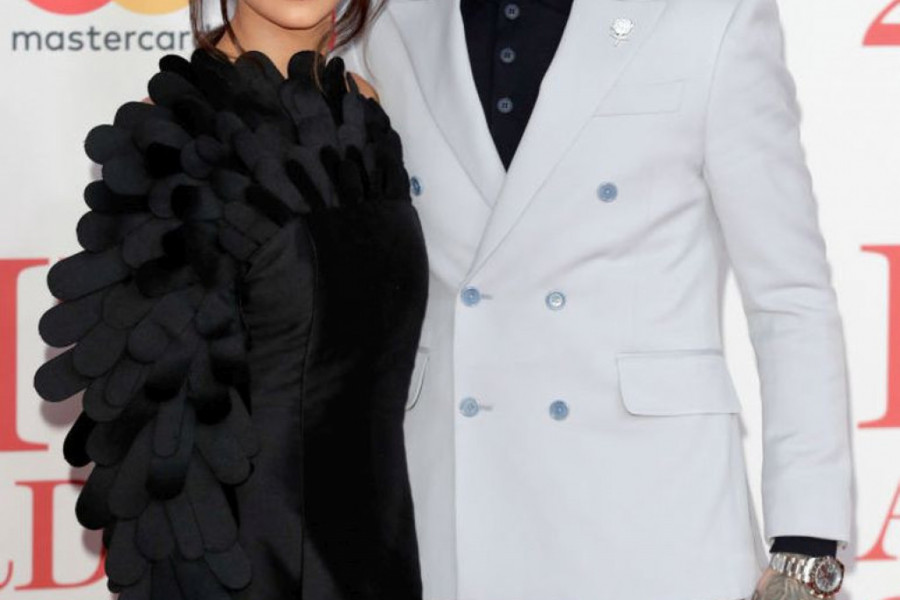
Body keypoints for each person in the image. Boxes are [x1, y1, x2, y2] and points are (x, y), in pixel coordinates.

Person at [340, 0, 853, 599]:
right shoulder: (382, 20)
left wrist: (805, 544)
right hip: (448, 504)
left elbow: (788, 295)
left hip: (651, 508)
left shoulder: (708, 15)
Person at [33, 0, 429, 598]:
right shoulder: (175, 140)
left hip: (378, 549)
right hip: (255, 566)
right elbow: (165, 445)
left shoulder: (365, 108)